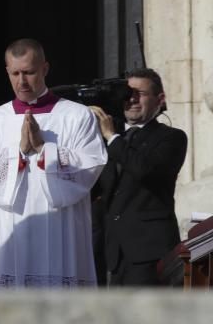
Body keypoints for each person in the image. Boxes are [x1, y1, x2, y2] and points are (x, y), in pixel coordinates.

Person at [0, 38, 107, 290]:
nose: (22, 81)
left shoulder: (77, 116)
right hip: (11, 224)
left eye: (30, 72)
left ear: (45, 69)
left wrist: (45, 149)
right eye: (15, 73)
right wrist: (19, 150)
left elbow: (90, 166)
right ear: (7, 72)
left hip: (61, 225)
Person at [90, 67, 187, 286]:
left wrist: (112, 137)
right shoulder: (108, 138)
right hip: (112, 251)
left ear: (159, 99)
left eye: (140, 94)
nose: (131, 99)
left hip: (150, 250)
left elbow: (145, 169)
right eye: (127, 93)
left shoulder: (171, 137)